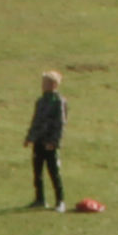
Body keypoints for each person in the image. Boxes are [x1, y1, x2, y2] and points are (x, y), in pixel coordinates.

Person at [26, 69, 68, 211]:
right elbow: (35, 120)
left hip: (50, 142)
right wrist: (30, 137)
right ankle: (40, 199)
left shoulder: (59, 101)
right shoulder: (41, 100)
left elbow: (60, 123)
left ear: (54, 84)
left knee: (54, 171)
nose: (43, 85)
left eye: (46, 82)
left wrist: (54, 142)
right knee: (37, 171)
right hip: (39, 139)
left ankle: (60, 200)